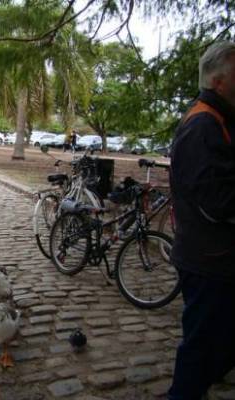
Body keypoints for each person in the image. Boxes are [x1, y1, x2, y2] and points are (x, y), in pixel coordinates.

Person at [168, 41, 235, 400]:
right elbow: (216, 201)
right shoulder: (203, 125)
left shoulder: (220, 119)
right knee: (201, 346)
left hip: (217, 257)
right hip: (208, 260)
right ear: (219, 80)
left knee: (216, 342)